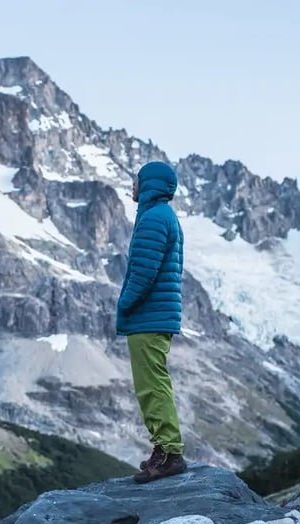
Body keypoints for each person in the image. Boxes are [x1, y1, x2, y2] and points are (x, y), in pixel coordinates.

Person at [116, 161, 188, 484]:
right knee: (153, 384)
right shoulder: (162, 216)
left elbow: (144, 272)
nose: (133, 185)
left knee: (151, 386)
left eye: (137, 180)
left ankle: (170, 453)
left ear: (150, 184)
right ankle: (163, 450)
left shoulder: (153, 218)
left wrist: (125, 302)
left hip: (147, 316)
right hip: (156, 315)